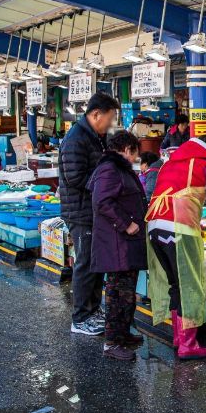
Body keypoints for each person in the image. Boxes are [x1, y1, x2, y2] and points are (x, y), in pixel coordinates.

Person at [146, 135, 206, 359]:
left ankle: (179, 338)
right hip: (179, 229)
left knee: (176, 284)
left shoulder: (171, 162)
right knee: (190, 285)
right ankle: (188, 345)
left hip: (155, 227)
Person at [59, 92, 121, 336]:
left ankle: (93, 310)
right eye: (110, 117)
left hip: (92, 210)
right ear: (96, 114)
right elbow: (75, 177)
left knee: (95, 263)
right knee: (85, 263)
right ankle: (80, 317)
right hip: (80, 211)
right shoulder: (76, 138)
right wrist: (104, 186)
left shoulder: (94, 136)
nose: (111, 122)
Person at [86, 131, 148, 361]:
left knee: (127, 291)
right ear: (126, 148)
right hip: (117, 243)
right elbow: (101, 201)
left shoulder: (117, 168)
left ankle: (122, 335)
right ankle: (112, 342)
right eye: (134, 154)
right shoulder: (109, 169)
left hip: (124, 244)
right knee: (117, 293)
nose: (134, 159)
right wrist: (126, 224)